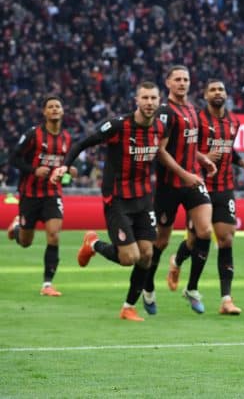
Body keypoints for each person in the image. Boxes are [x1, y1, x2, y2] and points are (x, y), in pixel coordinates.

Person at [50, 81, 167, 321]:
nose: (149, 102)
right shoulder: (118, 125)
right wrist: (65, 166)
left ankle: (128, 307)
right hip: (118, 199)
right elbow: (83, 143)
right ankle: (93, 244)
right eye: (145, 98)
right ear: (136, 100)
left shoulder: (160, 127)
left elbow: (163, 155)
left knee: (147, 254)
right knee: (129, 258)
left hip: (144, 199)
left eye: (153, 98)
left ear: (159, 101)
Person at [166, 79, 244, 315]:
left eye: (221, 89)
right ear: (205, 95)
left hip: (225, 187)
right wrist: (204, 156)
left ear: (226, 94)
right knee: (194, 240)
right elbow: (183, 147)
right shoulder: (196, 119)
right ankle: (177, 261)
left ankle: (226, 300)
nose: (218, 93)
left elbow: (229, 148)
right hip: (199, 185)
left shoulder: (234, 122)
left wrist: (242, 163)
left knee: (226, 239)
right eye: (213, 90)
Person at [142, 65, 216, 315]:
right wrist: (184, 174)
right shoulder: (165, 112)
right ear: (168, 83)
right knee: (161, 241)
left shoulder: (193, 109)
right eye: (178, 79)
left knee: (205, 231)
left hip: (192, 181)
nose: (182, 83)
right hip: (170, 186)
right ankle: (148, 286)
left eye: (186, 79)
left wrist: (203, 159)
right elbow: (160, 151)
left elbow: (188, 146)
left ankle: (192, 288)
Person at [7, 96, 76, 296]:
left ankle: (47, 284)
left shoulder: (67, 138)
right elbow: (13, 159)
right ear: (44, 112)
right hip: (29, 193)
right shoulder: (33, 134)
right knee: (25, 242)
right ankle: (18, 227)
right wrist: (34, 170)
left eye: (57, 106)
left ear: (62, 111)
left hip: (52, 193)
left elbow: (66, 164)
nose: (54, 109)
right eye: (50, 107)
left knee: (54, 235)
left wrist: (71, 170)